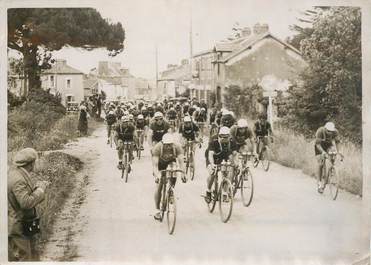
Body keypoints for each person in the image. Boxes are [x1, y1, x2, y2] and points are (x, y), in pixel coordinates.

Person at [8, 148, 49, 261]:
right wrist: (40, 190)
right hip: (18, 226)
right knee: (25, 258)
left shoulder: (18, 173)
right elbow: (25, 203)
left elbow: (24, 195)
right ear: (31, 164)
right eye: (35, 162)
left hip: (25, 224)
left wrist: (37, 188)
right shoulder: (18, 179)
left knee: (33, 256)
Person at [151, 133, 186, 220]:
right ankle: (157, 210)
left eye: (170, 145)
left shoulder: (177, 147)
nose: (168, 147)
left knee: (174, 169)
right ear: (163, 143)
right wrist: (157, 176)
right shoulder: (157, 148)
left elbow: (181, 162)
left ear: (173, 143)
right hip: (160, 164)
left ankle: (171, 190)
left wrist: (183, 173)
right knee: (159, 186)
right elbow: (155, 165)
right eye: (166, 145)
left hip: (171, 162)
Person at [204, 127, 238, 203]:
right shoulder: (213, 141)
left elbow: (234, 154)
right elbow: (210, 155)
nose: (225, 139)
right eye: (222, 137)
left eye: (226, 137)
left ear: (229, 136)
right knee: (212, 172)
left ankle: (225, 192)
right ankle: (208, 191)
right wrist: (212, 164)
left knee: (227, 171)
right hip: (213, 157)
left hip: (224, 156)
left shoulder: (232, 141)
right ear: (219, 136)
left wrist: (235, 163)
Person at [315, 121, 340, 193]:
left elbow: (337, 142)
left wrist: (338, 152)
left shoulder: (335, 131)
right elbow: (318, 144)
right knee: (321, 163)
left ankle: (332, 170)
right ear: (325, 129)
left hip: (329, 146)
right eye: (328, 131)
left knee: (333, 153)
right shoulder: (320, 131)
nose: (330, 132)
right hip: (319, 146)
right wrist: (323, 152)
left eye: (331, 131)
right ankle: (319, 183)